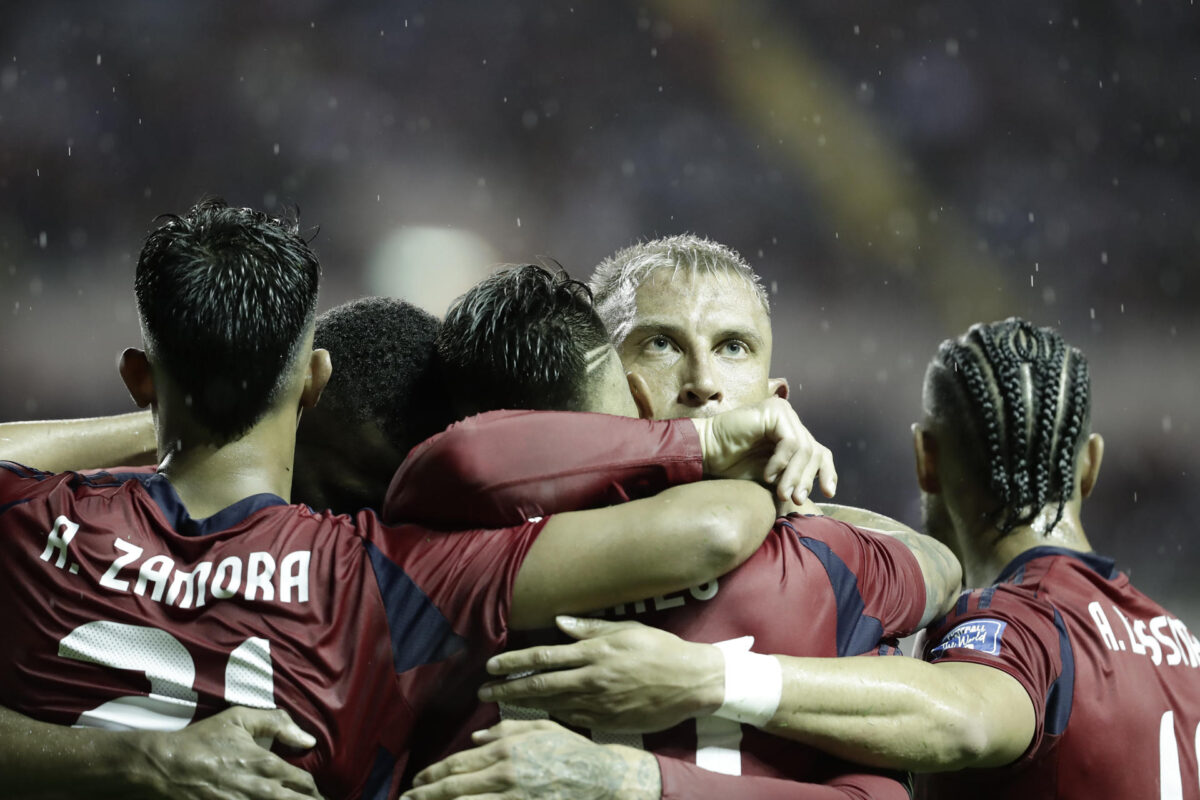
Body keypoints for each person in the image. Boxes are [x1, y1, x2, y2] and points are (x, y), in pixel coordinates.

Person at [0, 204, 808, 800]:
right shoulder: (382, 575)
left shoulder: (34, 521)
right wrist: (718, 437)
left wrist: (175, 411)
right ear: (312, 382)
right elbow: (713, 529)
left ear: (139, 378)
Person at [471, 317, 1200, 800]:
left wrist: (707, 676)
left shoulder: (1016, 623)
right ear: (1093, 466)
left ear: (926, 459)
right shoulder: (1179, 646)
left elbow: (966, 721)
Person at [392, 264, 961, 800]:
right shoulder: (832, 562)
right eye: (661, 343)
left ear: (776, 403)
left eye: (732, 347)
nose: (703, 384)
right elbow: (941, 568)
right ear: (610, 380)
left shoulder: (461, 552)